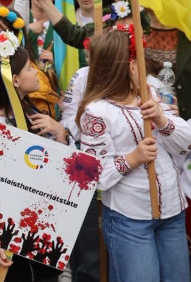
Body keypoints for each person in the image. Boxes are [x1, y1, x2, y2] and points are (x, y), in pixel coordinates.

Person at [79, 30, 191, 282]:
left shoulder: (151, 96)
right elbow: (93, 176)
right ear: (130, 66)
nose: (145, 67)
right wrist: (133, 158)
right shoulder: (97, 112)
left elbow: (186, 143)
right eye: (139, 59)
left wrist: (161, 118)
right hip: (130, 220)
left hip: (172, 213)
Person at [0, 34, 67, 282]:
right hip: (5, 236)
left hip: (41, 230)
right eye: (29, 68)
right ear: (15, 80)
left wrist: (60, 134)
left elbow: (57, 172)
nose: (36, 73)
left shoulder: (36, 117)